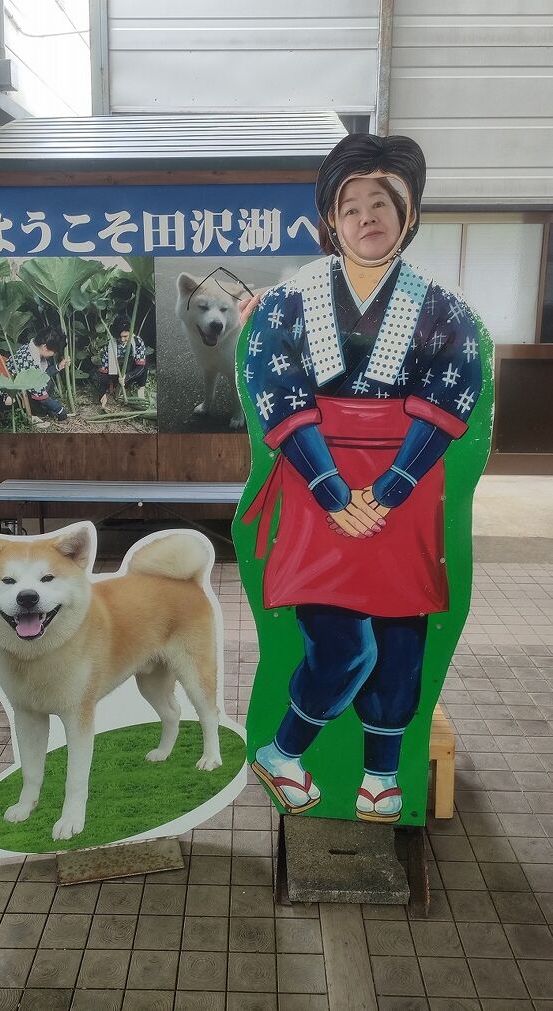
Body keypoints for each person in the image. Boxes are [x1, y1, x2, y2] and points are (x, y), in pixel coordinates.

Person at [239, 133, 487, 823]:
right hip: (319, 485)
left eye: (384, 202)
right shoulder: (289, 302)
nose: (366, 216)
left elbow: (451, 390)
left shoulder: (444, 308)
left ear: (408, 216)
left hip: (405, 487)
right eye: (350, 205)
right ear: (330, 219)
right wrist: (329, 489)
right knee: (344, 644)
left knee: (402, 643)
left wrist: (395, 485)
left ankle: (382, 775)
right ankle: (283, 750)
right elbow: (275, 388)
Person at [7, 328, 71, 423]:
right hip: (16, 394)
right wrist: (60, 410)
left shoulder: (29, 348)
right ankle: (33, 414)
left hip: (28, 386)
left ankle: (44, 410)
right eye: (54, 351)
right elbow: (40, 395)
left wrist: (58, 366)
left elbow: (43, 375)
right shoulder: (30, 363)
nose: (54, 354)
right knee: (44, 392)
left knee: (47, 382)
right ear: (45, 346)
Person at [97, 317, 148, 409]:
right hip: (116, 375)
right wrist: (102, 394)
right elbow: (103, 371)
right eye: (120, 336)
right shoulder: (109, 346)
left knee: (144, 364)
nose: (122, 339)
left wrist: (128, 376)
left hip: (129, 374)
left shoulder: (137, 341)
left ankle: (141, 389)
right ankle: (114, 388)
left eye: (125, 336)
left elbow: (140, 367)